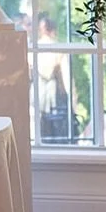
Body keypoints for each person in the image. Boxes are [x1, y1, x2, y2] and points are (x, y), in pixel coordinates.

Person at [37, 14, 72, 143]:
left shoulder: (33, 48)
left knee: (41, 124)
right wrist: (73, 99)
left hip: (38, 93)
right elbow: (67, 77)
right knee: (55, 124)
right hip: (53, 93)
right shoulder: (57, 49)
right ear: (52, 30)